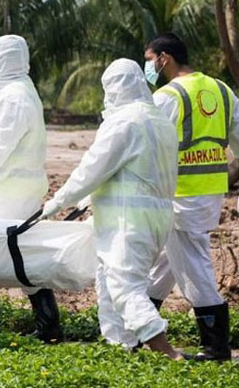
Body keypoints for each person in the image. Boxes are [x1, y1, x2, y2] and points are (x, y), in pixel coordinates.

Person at [41, 59, 182, 360]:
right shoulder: (159, 120)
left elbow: (92, 168)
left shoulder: (124, 121)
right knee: (108, 283)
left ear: (115, 89)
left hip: (129, 221)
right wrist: (87, 200)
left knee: (125, 287)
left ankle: (168, 353)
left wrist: (58, 201)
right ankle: (121, 348)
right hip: (155, 216)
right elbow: (134, 169)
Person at [142, 32, 239, 361]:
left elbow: (146, 148)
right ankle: (137, 328)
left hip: (180, 197)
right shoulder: (222, 91)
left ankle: (215, 346)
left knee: (193, 268)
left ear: (164, 58)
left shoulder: (167, 97)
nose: (147, 67)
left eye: (148, 60)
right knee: (167, 263)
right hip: (208, 195)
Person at [0, 35, 63, 343]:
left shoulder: (13, 98)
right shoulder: (23, 91)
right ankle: (48, 322)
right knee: (20, 254)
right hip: (20, 189)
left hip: (2, 190)